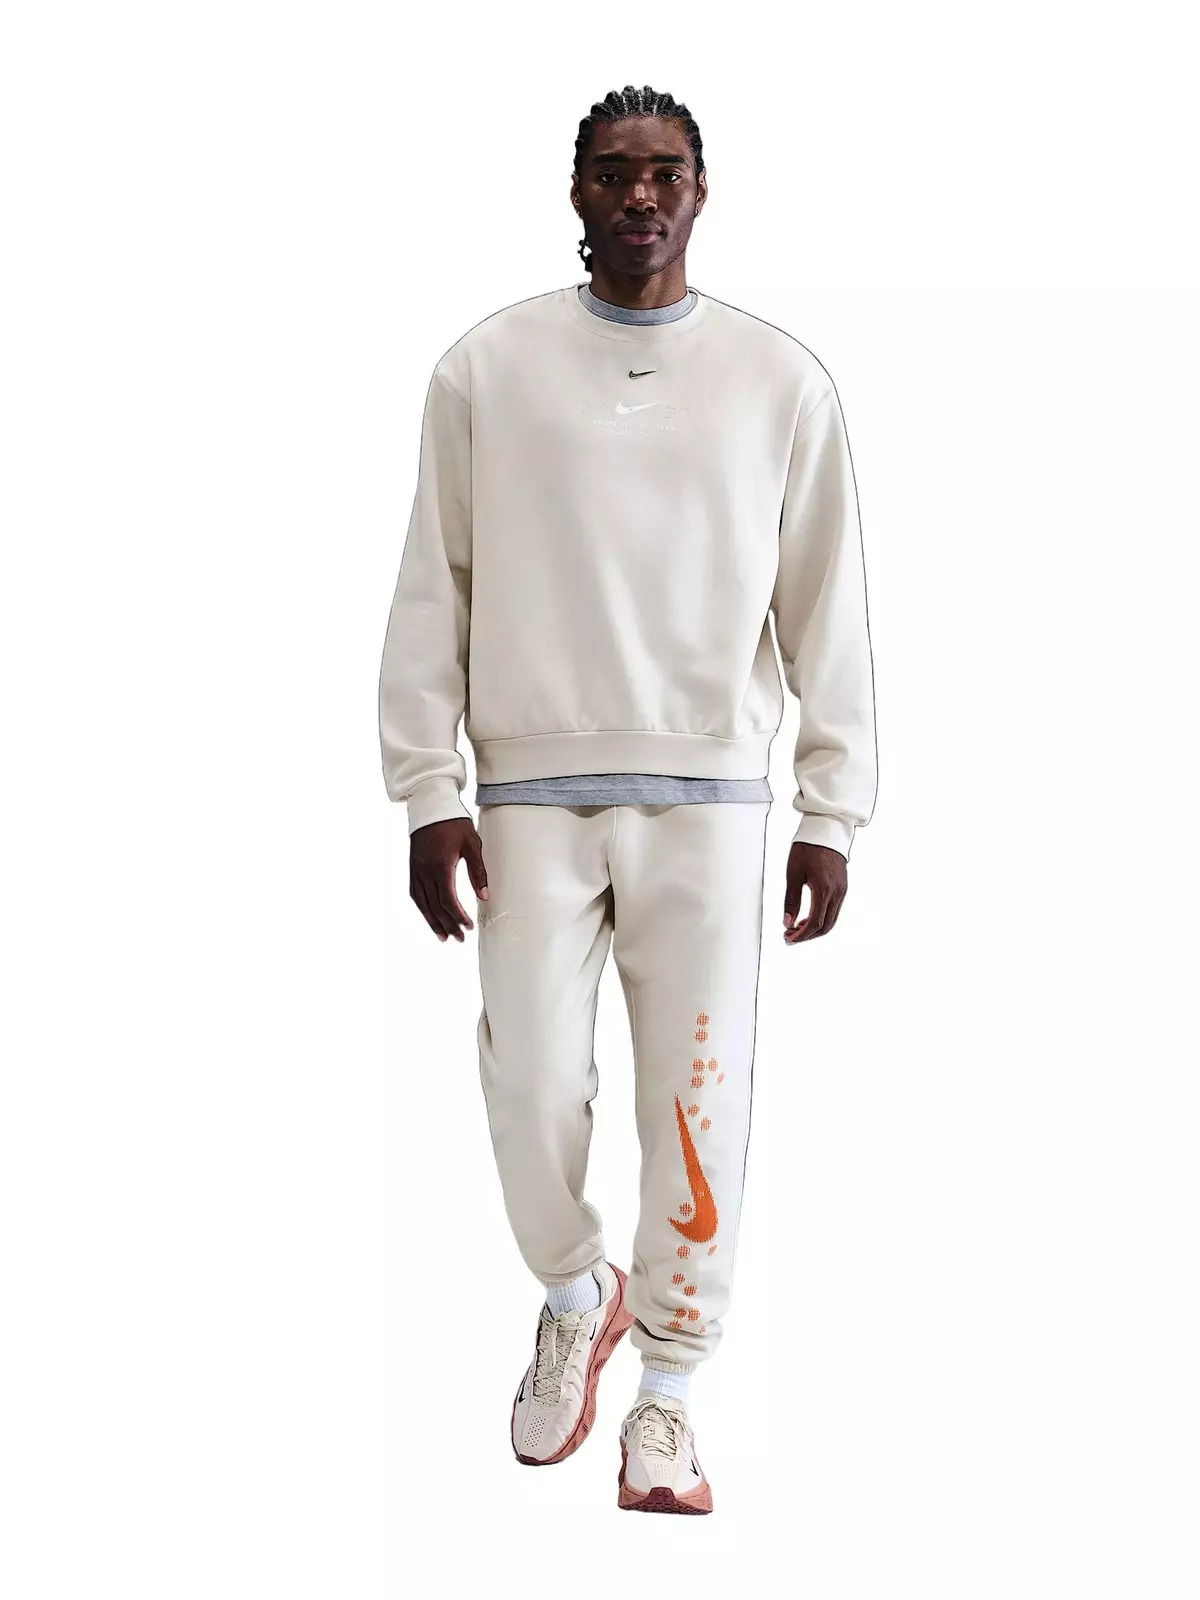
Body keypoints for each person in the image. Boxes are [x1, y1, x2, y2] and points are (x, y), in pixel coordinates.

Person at [378, 83, 877, 1516]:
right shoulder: (488, 370)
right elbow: (434, 585)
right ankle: (574, 1291)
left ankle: (668, 1393)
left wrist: (831, 810)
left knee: (696, 1102)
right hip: (530, 793)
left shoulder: (780, 383)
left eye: (665, 172)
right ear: (577, 191)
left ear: (701, 191)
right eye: (614, 172)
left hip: (711, 799)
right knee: (529, 1082)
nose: (640, 195)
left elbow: (826, 605)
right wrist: (426, 789)